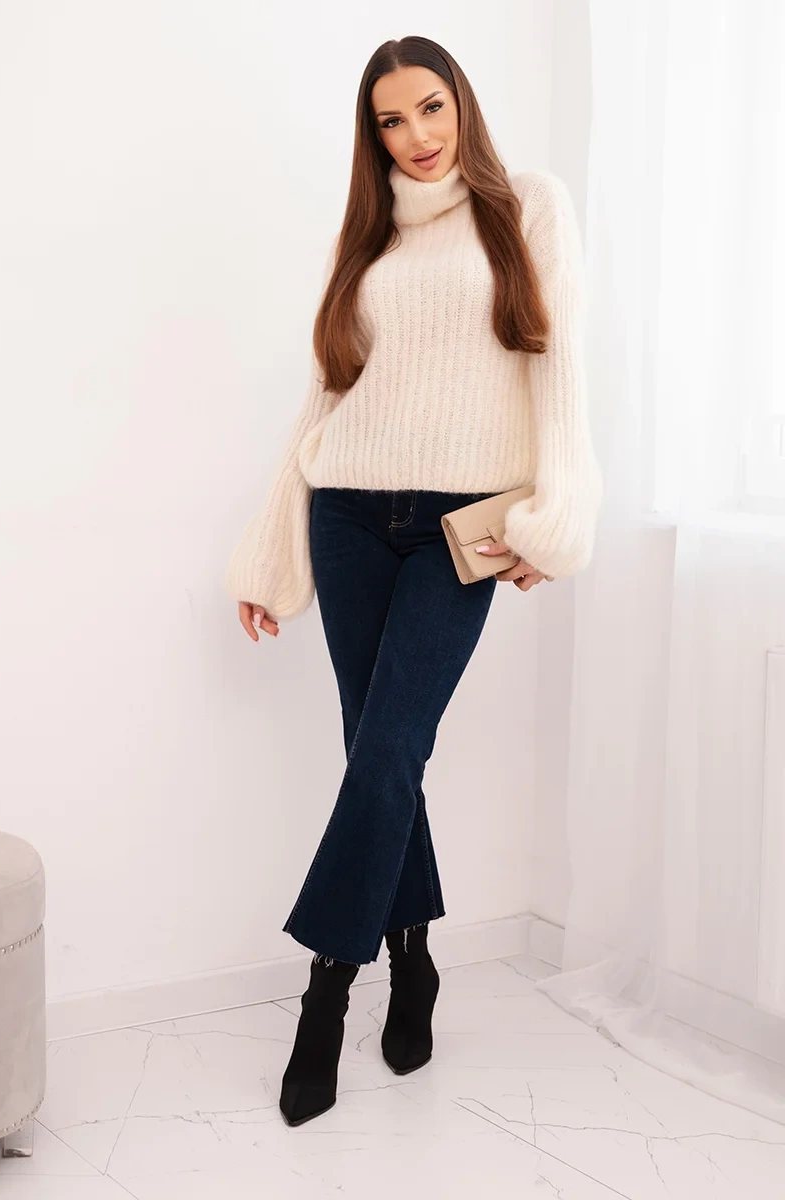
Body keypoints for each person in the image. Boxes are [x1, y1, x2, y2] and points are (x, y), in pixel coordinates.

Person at [226, 35, 603, 1127]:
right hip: (347, 514)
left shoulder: (526, 206)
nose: (417, 136)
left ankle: (324, 991)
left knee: (389, 748)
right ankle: (413, 956)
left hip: (459, 530)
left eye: (430, 107)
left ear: (461, 104)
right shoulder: (366, 240)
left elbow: (561, 368)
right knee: (378, 754)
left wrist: (553, 519)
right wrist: (272, 552)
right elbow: (321, 403)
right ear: (372, 134)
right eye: (391, 120)